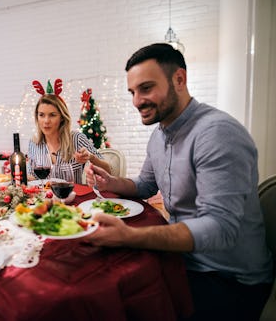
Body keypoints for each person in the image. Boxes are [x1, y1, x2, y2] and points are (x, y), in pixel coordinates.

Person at [85, 43, 273, 320]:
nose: (137, 100)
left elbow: (220, 229)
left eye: (146, 88)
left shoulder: (217, 133)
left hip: (229, 280)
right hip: (186, 261)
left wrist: (131, 236)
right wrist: (110, 182)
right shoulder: (159, 135)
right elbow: (145, 185)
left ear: (179, 80)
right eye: (132, 92)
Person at [28, 79, 111, 185]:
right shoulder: (34, 143)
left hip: (72, 199)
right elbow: (32, 178)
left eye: (52, 115)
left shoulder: (76, 139)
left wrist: (90, 157)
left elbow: (108, 171)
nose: (46, 121)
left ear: (62, 117)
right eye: (41, 115)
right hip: (44, 200)